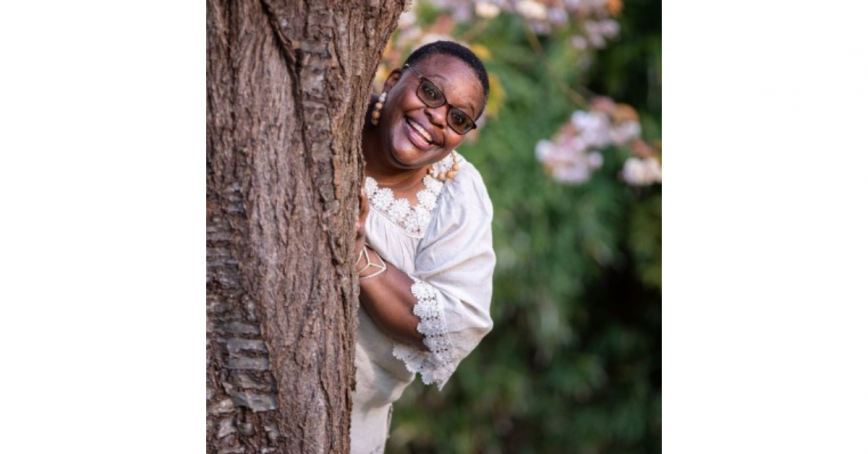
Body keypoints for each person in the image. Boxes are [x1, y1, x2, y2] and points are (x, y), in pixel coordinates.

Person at [350, 40, 496, 454]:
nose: (435, 118)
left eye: (458, 118)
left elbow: (459, 322)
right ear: (395, 81)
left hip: (346, 427)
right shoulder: (330, 114)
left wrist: (358, 255)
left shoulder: (456, 194)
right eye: (430, 92)